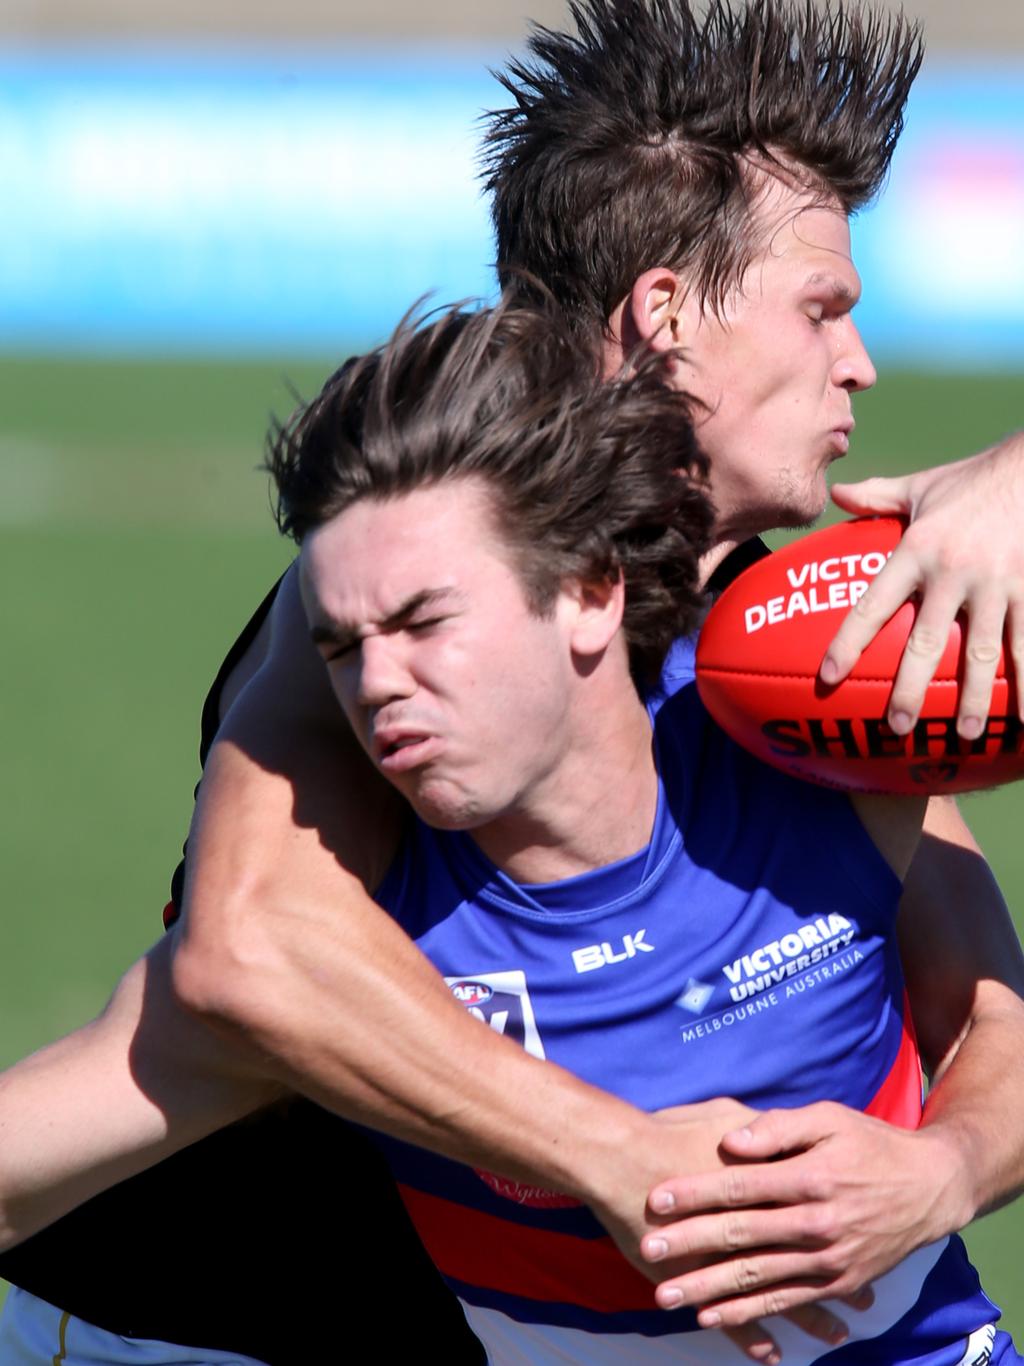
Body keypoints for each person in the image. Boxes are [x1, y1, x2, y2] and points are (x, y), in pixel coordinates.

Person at [1, 0, 1022, 1358]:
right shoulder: (396, 586)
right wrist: (637, 1164)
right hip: (215, 1317)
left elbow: (957, 934)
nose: (862, 360)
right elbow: (250, 953)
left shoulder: (753, 608)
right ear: (666, 315)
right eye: (823, 306)